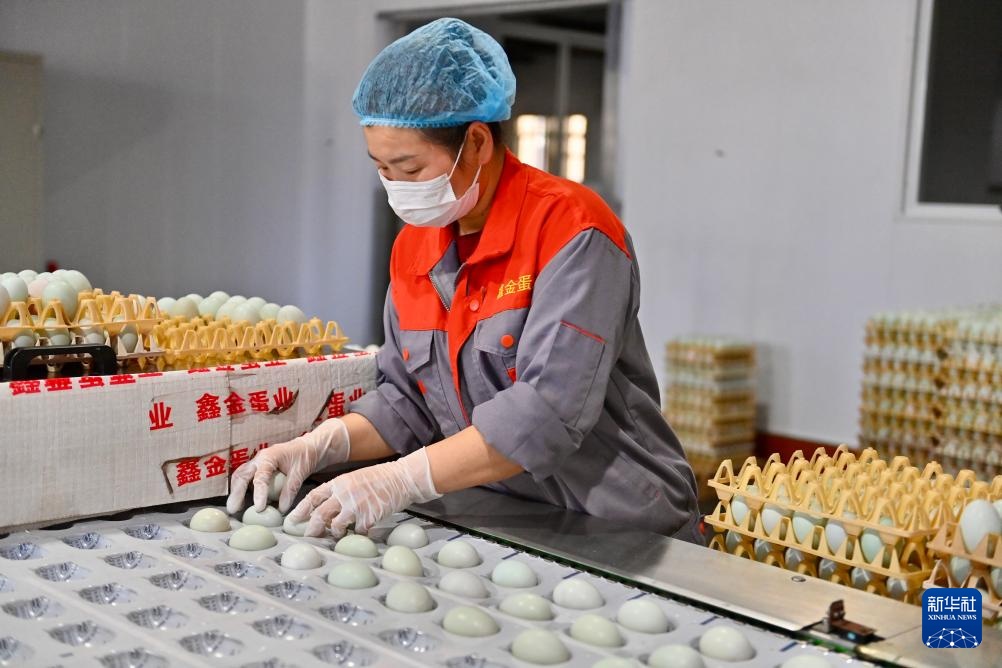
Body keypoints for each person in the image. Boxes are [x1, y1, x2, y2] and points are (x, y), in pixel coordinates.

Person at [226, 17, 700, 542]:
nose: (396, 187)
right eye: (381, 169)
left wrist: (400, 479)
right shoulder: (416, 247)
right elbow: (408, 402)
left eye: (410, 169)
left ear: (476, 142)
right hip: (502, 514)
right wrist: (320, 444)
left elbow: (547, 414)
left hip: (617, 523)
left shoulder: (573, 232)